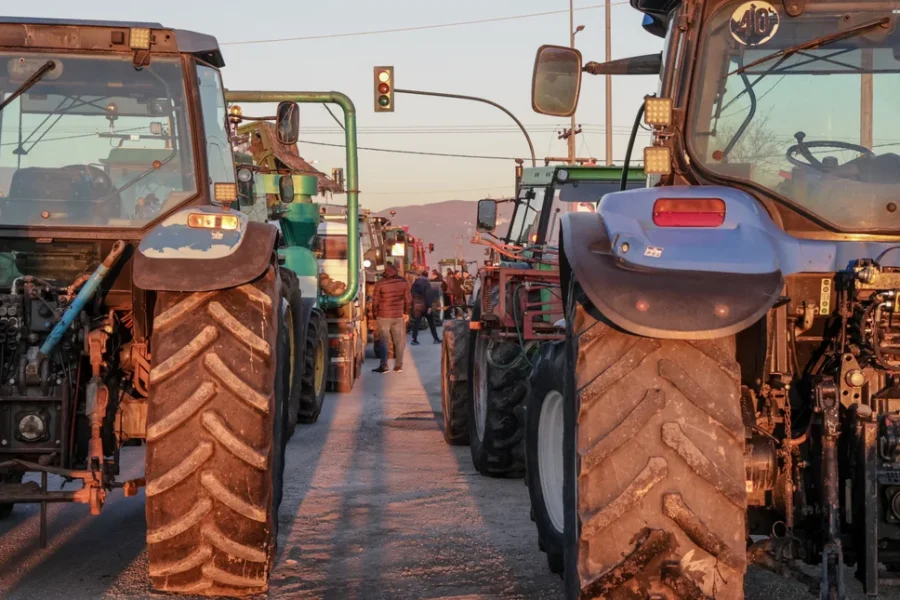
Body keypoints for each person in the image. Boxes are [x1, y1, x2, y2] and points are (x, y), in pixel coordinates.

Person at [372, 262, 411, 373]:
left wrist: (376, 315)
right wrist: (406, 313)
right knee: (399, 342)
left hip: (383, 316)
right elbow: (408, 300)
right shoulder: (403, 282)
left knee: (384, 341)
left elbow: (375, 302)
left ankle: (384, 366)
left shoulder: (380, 283)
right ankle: (398, 366)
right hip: (398, 316)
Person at [410, 268, 441, 345]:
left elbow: (411, 294)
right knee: (431, 323)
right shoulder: (426, 283)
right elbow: (428, 295)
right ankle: (436, 339)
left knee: (416, 323)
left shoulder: (414, 284)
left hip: (417, 306)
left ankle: (414, 340)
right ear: (426, 276)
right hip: (425, 306)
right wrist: (429, 306)